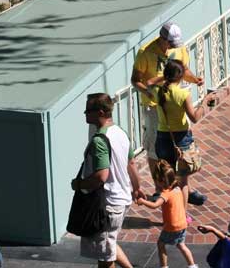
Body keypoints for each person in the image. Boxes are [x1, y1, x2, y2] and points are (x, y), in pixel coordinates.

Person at [131, 22, 204, 204]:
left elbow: (183, 70)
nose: (172, 48)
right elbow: (136, 80)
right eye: (170, 44)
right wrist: (149, 93)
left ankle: (182, 186)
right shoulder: (145, 52)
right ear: (162, 38)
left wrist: (195, 79)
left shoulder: (179, 49)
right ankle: (160, 189)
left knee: (180, 151)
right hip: (154, 108)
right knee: (156, 151)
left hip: (173, 105)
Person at [72, 93, 145, 268]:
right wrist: (136, 188)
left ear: (102, 112)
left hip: (107, 205)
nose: (85, 113)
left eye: (89, 110)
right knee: (109, 244)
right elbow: (131, 163)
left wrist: (79, 184)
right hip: (121, 200)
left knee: (105, 259)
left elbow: (101, 176)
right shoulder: (120, 132)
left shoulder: (99, 141)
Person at [152, 59, 216, 216]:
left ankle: (168, 215)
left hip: (162, 137)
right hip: (180, 139)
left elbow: (148, 82)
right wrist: (205, 102)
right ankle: (181, 216)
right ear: (180, 76)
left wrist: (163, 76)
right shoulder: (182, 94)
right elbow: (194, 117)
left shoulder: (158, 90)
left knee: (167, 181)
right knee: (183, 181)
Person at [137, 160, 198, 268]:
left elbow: (155, 205)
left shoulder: (165, 194)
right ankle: (192, 265)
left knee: (161, 244)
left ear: (161, 181)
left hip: (172, 226)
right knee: (181, 245)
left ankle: (164, 266)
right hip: (182, 223)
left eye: (155, 180)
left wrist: (142, 201)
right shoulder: (177, 189)